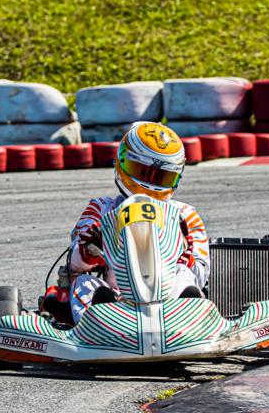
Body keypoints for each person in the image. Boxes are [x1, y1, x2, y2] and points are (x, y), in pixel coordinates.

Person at [65, 121, 209, 323]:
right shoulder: (100, 209)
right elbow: (73, 268)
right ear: (123, 161)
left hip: (168, 302)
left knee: (184, 274)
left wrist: (185, 251)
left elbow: (201, 274)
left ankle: (186, 314)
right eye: (142, 172)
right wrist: (89, 250)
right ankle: (97, 322)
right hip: (115, 304)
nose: (150, 184)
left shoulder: (184, 214)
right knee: (83, 283)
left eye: (162, 177)